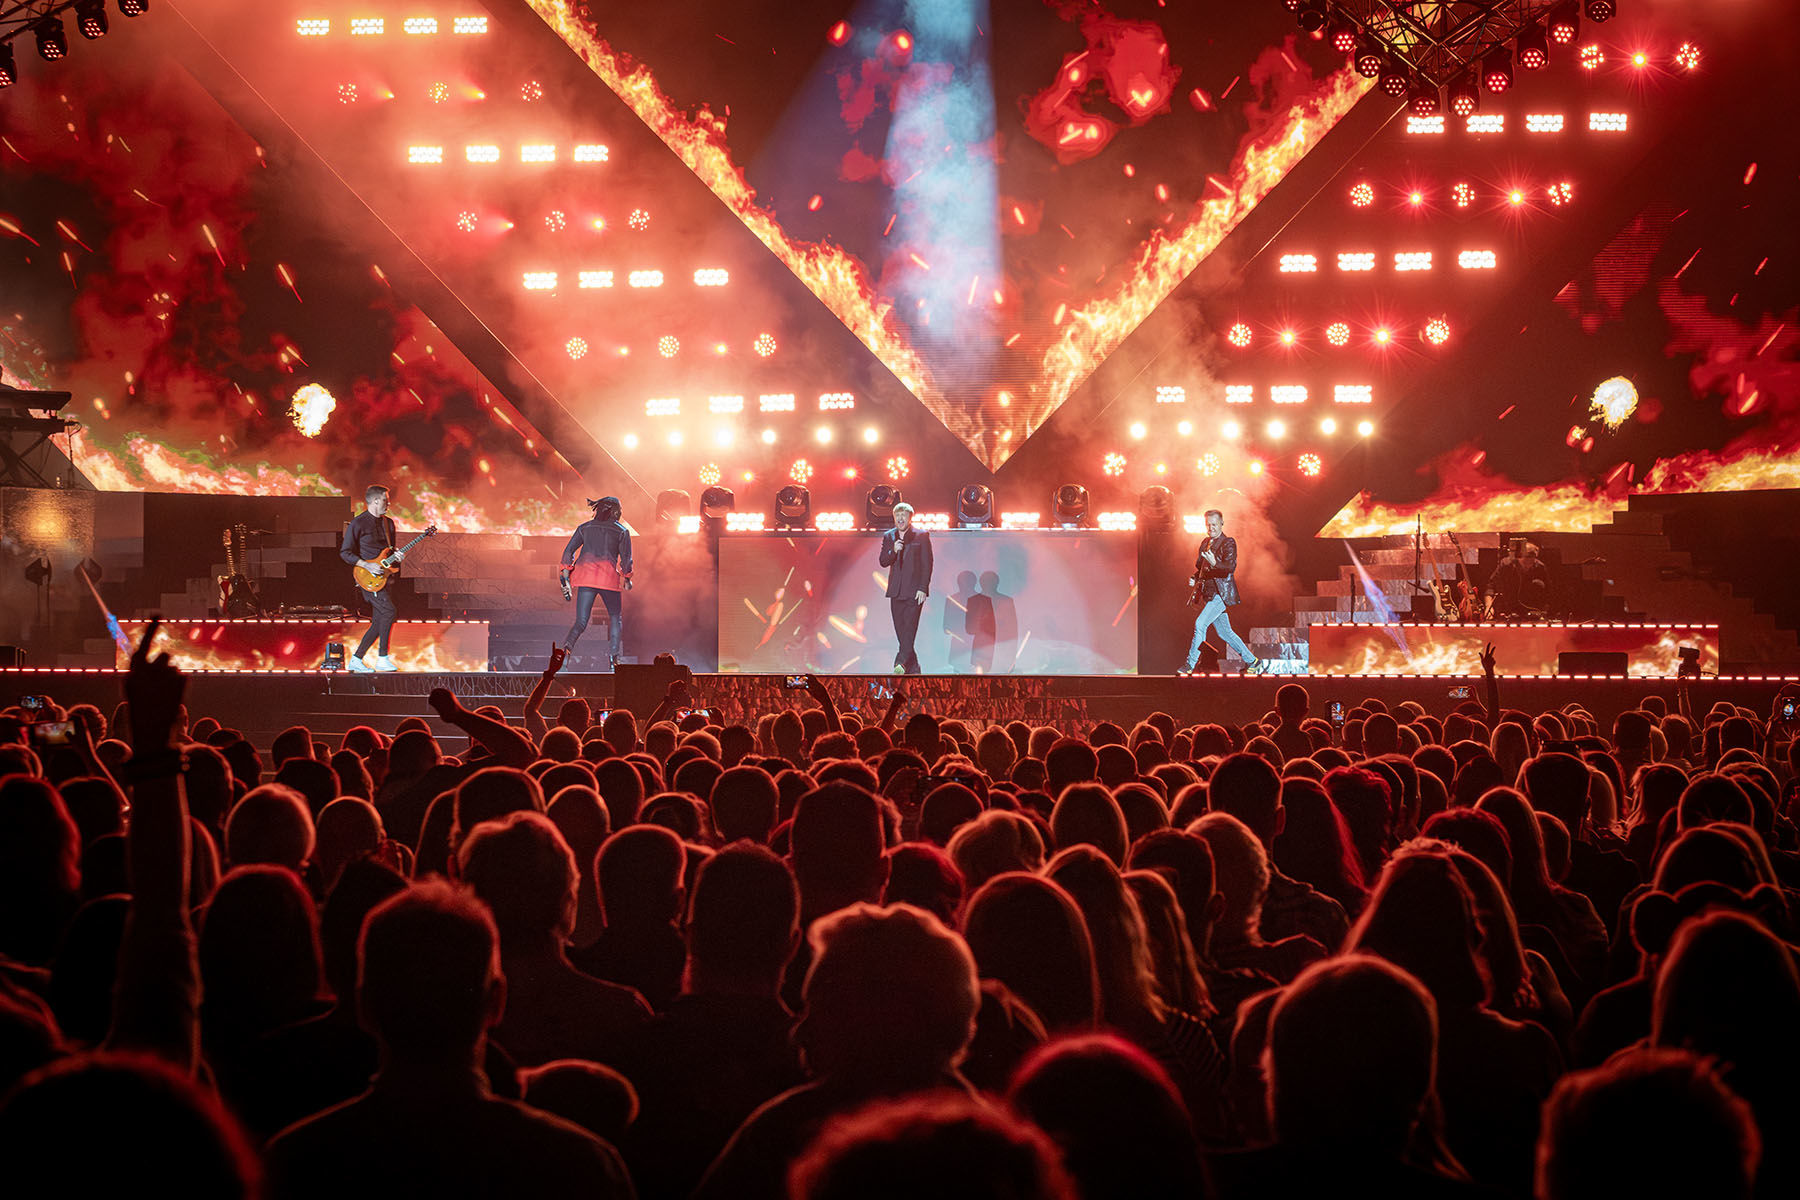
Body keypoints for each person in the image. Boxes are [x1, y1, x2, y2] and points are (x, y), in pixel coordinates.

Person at [1182, 509, 1265, 676]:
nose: (1211, 527)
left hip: (1221, 594)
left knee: (1200, 624)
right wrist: (1194, 577)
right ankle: (1253, 661)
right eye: (1208, 524)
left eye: (1214, 524)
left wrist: (1215, 563)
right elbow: (1202, 568)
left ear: (1221, 524)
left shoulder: (1228, 543)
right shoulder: (1205, 543)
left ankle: (1190, 664)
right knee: (1225, 632)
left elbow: (1230, 567)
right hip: (1209, 595)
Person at [559, 497, 633, 669]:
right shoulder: (622, 531)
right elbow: (626, 559)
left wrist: (565, 573)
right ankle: (614, 659)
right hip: (608, 580)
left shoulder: (584, 528)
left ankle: (566, 652)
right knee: (615, 618)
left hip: (585, 578)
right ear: (616, 512)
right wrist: (627, 577)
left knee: (581, 621)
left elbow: (568, 551)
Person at [339, 485, 403, 672]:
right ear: (375, 501)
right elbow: (345, 553)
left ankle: (357, 659)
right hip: (368, 579)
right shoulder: (358, 523)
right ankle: (382, 657)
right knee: (389, 612)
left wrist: (397, 557)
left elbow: (390, 552)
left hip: (385, 578)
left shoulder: (388, 523)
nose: (388, 504)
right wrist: (367, 565)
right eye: (385, 500)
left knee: (379, 620)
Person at [878, 501, 933, 675]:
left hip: (914, 591)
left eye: (904, 515)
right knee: (902, 632)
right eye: (897, 515)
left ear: (910, 518)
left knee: (910, 628)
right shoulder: (889, 536)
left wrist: (923, 588)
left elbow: (927, 564)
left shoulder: (921, 535)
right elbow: (883, 561)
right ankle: (914, 669)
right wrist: (893, 551)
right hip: (896, 591)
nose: (900, 518)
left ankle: (900, 663)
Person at [1487, 539, 1550, 618]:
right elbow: (1490, 588)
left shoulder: (1540, 567)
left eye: (1532, 559)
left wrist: (1544, 611)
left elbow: (1548, 592)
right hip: (1508, 611)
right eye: (1525, 560)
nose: (1528, 564)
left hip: (1533, 612)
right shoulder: (1505, 565)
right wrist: (1489, 608)